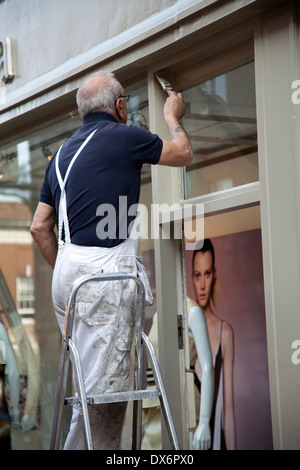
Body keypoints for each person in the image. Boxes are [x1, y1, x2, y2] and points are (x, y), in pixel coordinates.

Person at [30, 71, 192, 450]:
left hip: (69, 276)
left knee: (87, 395)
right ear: (120, 107)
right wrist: (172, 116)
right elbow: (183, 153)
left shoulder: (60, 156)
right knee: (105, 402)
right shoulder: (125, 136)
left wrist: (72, 276)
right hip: (104, 276)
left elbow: (40, 228)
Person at [192, 239, 236, 450]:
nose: (202, 284)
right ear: (191, 277)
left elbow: (228, 410)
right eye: (197, 275)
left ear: (214, 274)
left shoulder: (224, 332)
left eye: (207, 274)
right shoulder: (184, 332)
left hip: (214, 442)